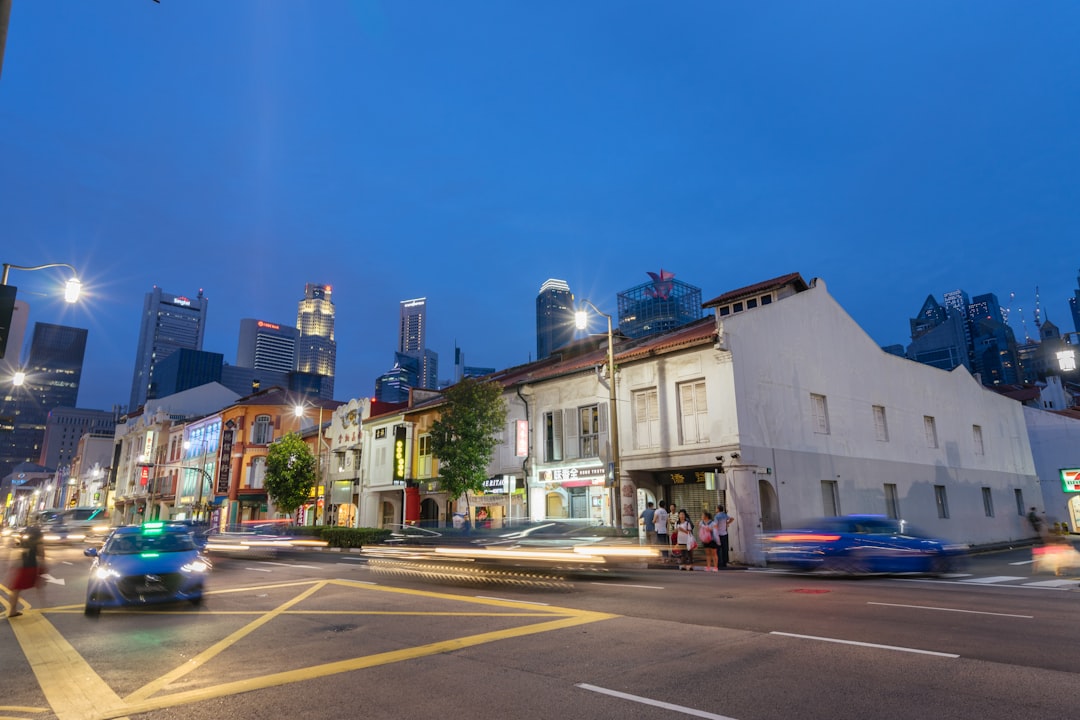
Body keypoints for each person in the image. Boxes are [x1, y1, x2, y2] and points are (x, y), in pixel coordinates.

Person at [7, 525, 46, 618]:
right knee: (36, 586)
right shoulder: (38, 542)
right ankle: (43, 606)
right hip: (30, 567)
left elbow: (18, 550)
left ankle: (13, 610)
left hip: (22, 566)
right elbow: (42, 554)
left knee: (16, 589)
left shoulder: (24, 541)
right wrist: (43, 567)